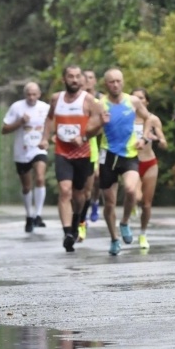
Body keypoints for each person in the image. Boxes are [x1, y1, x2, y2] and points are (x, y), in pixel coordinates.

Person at [39, 65, 104, 252]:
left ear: (81, 80)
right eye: (70, 76)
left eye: (77, 77)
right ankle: (67, 232)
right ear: (64, 79)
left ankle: (76, 221)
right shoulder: (56, 99)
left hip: (83, 153)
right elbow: (50, 118)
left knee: (80, 195)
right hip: (62, 152)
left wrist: (84, 137)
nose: (74, 80)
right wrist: (44, 138)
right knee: (64, 190)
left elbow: (99, 123)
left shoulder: (89, 100)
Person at [98, 68, 153, 255]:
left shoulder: (133, 101)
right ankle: (114, 239)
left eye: (118, 81)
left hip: (129, 154)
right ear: (106, 84)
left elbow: (148, 118)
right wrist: (99, 123)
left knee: (131, 190)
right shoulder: (100, 104)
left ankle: (124, 222)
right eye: (111, 81)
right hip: (107, 155)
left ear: (123, 82)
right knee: (109, 202)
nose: (115, 84)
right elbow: (91, 130)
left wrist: (144, 138)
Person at [1, 81, 50, 233]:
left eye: (34, 94)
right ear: (24, 95)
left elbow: (51, 125)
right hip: (22, 151)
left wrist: (47, 139)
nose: (31, 97)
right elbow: (4, 129)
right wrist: (20, 122)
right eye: (28, 94)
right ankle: (29, 216)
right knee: (26, 186)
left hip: (38, 149)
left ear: (39, 94)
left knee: (40, 178)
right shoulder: (17, 107)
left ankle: (38, 215)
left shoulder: (45, 108)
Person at [131, 88, 168, 250]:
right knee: (135, 195)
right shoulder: (127, 118)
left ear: (146, 102)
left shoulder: (153, 119)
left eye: (141, 98)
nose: (138, 100)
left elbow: (163, 142)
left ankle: (143, 234)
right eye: (134, 98)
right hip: (131, 163)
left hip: (149, 162)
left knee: (146, 204)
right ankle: (131, 205)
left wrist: (159, 139)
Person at [77, 70, 101, 242]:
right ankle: (73, 223)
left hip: (90, 151)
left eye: (88, 80)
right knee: (70, 191)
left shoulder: (98, 102)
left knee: (86, 191)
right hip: (69, 152)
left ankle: (81, 223)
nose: (85, 83)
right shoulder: (69, 101)